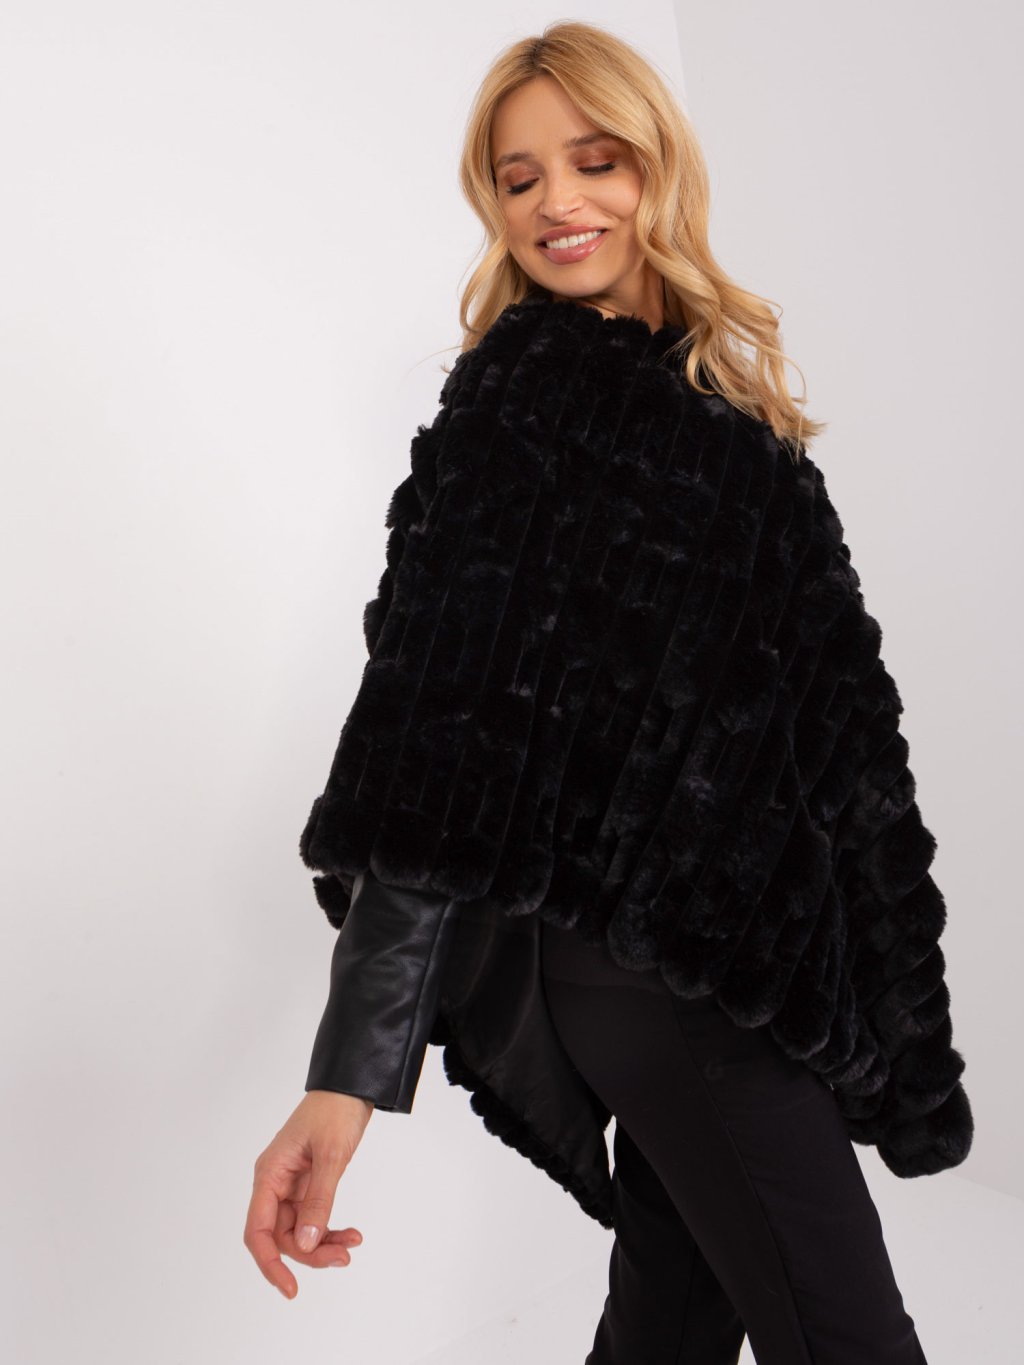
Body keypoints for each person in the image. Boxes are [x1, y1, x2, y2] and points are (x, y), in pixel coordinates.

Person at [244, 21, 972, 1364]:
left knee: (668, 1329)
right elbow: (433, 743)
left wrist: (889, 1002)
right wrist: (348, 1077)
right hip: (666, 983)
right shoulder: (523, 406)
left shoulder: (724, 414)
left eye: (595, 161)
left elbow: (837, 740)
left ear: (659, 168)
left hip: (747, 974)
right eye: (518, 177)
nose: (557, 204)